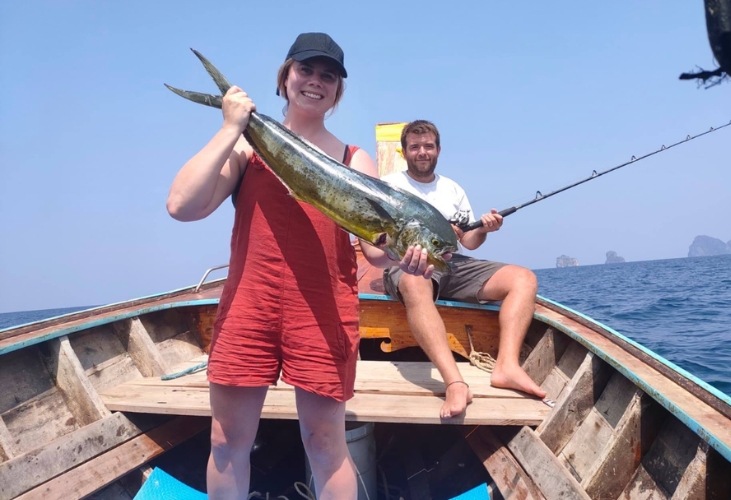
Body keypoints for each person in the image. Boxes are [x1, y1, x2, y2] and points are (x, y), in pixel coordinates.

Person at [166, 33, 433, 500]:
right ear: (285, 76)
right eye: (305, 70)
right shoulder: (250, 148)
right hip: (250, 307)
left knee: (326, 444)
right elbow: (181, 206)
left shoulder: (355, 160)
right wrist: (232, 126)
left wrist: (407, 256)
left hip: (323, 312)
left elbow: (375, 250)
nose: (315, 81)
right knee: (227, 441)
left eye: (328, 75)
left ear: (338, 90)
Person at [382, 120, 547, 419]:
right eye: (415, 147)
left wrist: (485, 229)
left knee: (524, 278)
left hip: (453, 264)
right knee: (417, 282)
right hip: (408, 263)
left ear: (438, 150)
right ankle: (455, 382)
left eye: (428, 146)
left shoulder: (452, 188)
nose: (422, 152)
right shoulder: (391, 186)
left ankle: (507, 366)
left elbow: (469, 243)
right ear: (404, 151)